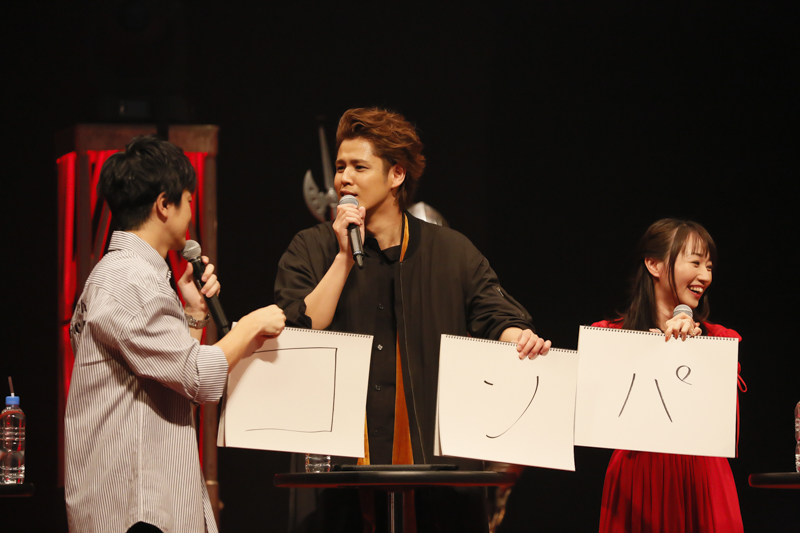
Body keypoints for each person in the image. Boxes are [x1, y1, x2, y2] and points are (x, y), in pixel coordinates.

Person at [275, 108, 550, 532]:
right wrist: (344, 257)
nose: (344, 178)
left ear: (396, 175)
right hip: (338, 471)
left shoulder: (451, 251)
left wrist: (520, 338)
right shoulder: (310, 248)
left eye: (359, 167)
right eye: (340, 167)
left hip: (435, 475)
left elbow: (496, 314)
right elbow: (300, 329)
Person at [64, 136, 286, 533]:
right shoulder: (132, 280)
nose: (190, 214)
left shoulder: (119, 274)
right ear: (163, 205)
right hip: (135, 508)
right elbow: (199, 376)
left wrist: (193, 315)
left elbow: (173, 377)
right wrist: (252, 325)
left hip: (138, 500)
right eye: (187, 201)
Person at [593, 218, 744, 533]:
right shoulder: (610, 337)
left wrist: (695, 351)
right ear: (654, 265)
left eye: (709, 266)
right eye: (695, 263)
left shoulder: (720, 340)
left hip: (705, 481)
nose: (705, 276)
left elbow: (726, 425)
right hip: (637, 481)